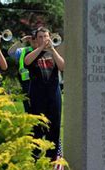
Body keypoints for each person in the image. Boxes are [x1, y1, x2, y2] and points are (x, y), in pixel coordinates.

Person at [24, 27, 65, 159]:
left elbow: (63, 67)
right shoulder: (32, 52)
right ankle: (34, 154)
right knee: (37, 125)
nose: (44, 39)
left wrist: (52, 49)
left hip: (53, 93)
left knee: (54, 125)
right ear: (36, 39)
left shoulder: (53, 53)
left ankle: (52, 157)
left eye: (46, 36)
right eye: (40, 37)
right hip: (37, 94)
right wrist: (41, 48)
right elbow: (27, 61)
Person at [8, 33, 35, 112]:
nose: (34, 40)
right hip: (26, 82)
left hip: (40, 82)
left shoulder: (44, 50)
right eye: (32, 38)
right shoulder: (23, 50)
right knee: (28, 106)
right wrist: (22, 40)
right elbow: (10, 52)